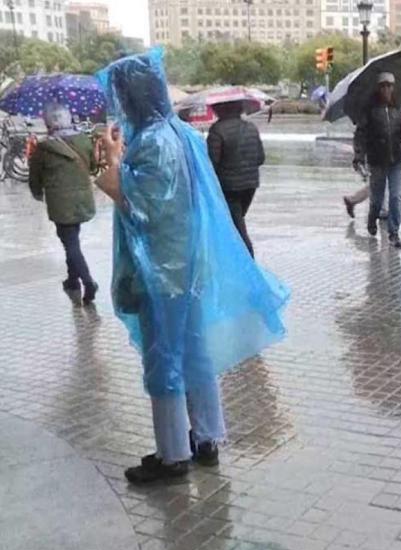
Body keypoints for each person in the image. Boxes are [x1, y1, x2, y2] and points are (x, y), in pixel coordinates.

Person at [94, 48, 288, 485]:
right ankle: (206, 439)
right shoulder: (181, 134)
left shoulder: (151, 142)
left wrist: (113, 164)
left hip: (162, 269)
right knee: (195, 351)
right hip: (190, 265)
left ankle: (172, 455)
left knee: (164, 357)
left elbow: (146, 206)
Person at [29, 102, 99, 304]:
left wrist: (37, 192)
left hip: (60, 203)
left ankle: (88, 281)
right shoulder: (83, 140)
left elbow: (35, 177)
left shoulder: (43, 149)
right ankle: (72, 280)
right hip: (82, 200)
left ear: (48, 123)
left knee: (70, 243)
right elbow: (92, 167)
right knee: (71, 239)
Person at [353, 72, 401, 248]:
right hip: (377, 160)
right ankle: (372, 218)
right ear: (378, 88)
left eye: (389, 86)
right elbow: (360, 135)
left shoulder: (400, 109)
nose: (387, 89)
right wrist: (359, 156)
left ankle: (394, 232)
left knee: (396, 197)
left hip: (396, 160)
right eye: (383, 86)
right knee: (377, 199)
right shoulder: (370, 110)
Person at [207, 100, 266, 257]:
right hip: (250, 185)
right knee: (237, 221)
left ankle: (247, 260)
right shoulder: (251, 128)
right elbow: (261, 158)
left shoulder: (217, 130)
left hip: (229, 187)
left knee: (237, 227)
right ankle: (235, 257)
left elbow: (211, 164)